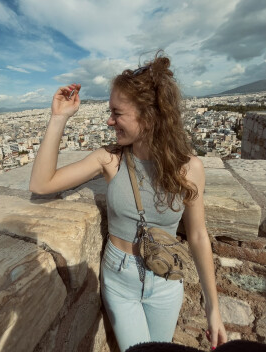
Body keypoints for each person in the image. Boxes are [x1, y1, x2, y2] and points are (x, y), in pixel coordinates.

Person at [29, 51, 227, 352]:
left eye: (117, 113)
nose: (109, 121)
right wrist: (58, 118)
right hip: (120, 279)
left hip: (166, 279)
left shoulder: (189, 168)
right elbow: (41, 184)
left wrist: (213, 309)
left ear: (148, 116)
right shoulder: (111, 159)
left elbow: (198, 236)